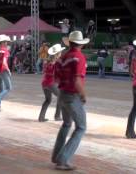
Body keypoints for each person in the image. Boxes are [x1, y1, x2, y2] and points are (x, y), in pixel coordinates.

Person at [52, 31, 89, 171]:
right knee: (81, 127)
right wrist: (84, 95)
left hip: (62, 94)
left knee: (66, 124)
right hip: (72, 96)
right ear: (81, 44)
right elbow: (77, 80)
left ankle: (56, 156)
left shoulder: (62, 57)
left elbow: (56, 79)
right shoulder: (79, 57)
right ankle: (63, 159)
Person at [38, 44, 64, 122]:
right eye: (60, 52)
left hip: (44, 83)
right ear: (57, 53)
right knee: (61, 97)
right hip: (51, 83)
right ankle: (57, 116)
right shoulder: (56, 63)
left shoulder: (47, 61)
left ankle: (41, 117)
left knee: (48, 100)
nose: (61, 53)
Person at [0, 35, 12, 112]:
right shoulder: (5, 50)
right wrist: (8, 70)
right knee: (8, 88)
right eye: (6, 42)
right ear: (3, 42)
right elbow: (4, 62)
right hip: (3, 70)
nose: (7, 43)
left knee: (0, 88)